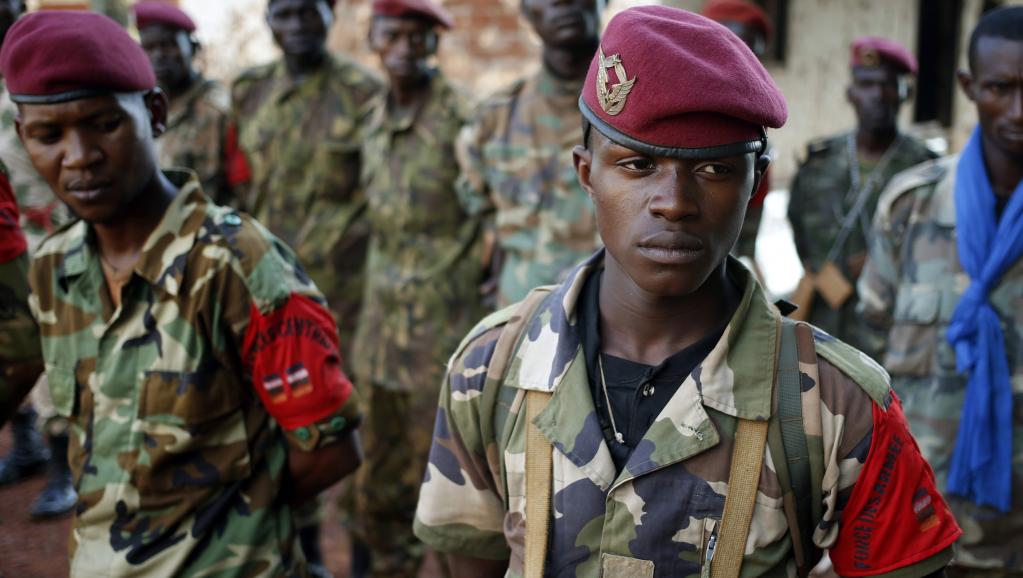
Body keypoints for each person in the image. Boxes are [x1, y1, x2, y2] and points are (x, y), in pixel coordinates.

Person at [414, 7, 961, 577]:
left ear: (757, 183)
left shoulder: (835, 403)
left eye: (714, 170)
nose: (674, 203)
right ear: (586, 173)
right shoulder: (492, 368)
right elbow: (459, 563)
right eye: (638, 164)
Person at [0, 11, 362, 575]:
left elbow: (330, 451)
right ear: (24, 137)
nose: (80, 156)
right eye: (50, 136)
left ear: (155, 113)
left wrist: (222, 531)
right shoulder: (54, 266)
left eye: (104, 125)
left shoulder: (237, 263)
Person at [858, 6, 1023, 574]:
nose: (1018, 110)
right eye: (1000, 88)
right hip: (919, 521)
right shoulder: (912, 205)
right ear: (969, 87)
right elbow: (870, 350)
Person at [349, 1, 481, 577]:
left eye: (419, 37)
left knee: (450, 493)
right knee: (376, 485)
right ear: (373, 39)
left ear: (435, 44)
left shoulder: (463, 120)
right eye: (393, 35)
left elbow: (494, 212)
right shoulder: (370, 119)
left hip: (441, 341)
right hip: (379, 337)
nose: (405, 48)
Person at [232, 0, 382, 352]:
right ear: (268, 20)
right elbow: (237, 180)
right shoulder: (249, 90)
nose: (297, 25)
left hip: (341, 285)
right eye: (284, 15)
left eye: (309, 12)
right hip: (265, 274)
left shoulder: (364, 92)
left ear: (331, 15)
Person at [787, 36, 936, 357]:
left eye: (888, 85)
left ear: (905, 93)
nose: (877, 95)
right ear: (850, 93)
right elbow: (798, 225)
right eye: (867, 84)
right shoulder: (819, 160)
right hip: (823, 322)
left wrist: (879, 262)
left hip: (895, 332)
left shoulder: (925, 168)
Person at [458, 0, 601, 309]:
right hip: (520, 317)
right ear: (525, 11)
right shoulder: (493, 120)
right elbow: (479, 211)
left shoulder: (643, 117)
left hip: (619, 318)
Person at [0, 0, 77, 520]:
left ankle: (64, 470)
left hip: (54, 232)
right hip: (12, 235)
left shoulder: (38, 69)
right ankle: (26, 446)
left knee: (53, 349)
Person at [134, 1, 242, 205]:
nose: (158, 56)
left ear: (193, 48)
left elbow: (242, 186)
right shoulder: (138, 108)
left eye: (169, 45)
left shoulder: (218, 108)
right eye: (149, 47)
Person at [702, 0, 774, 266]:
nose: (732, 64)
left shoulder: (756, 136)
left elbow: (749, 224)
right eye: (721, 50)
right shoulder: (667, 111)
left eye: (746, 54)